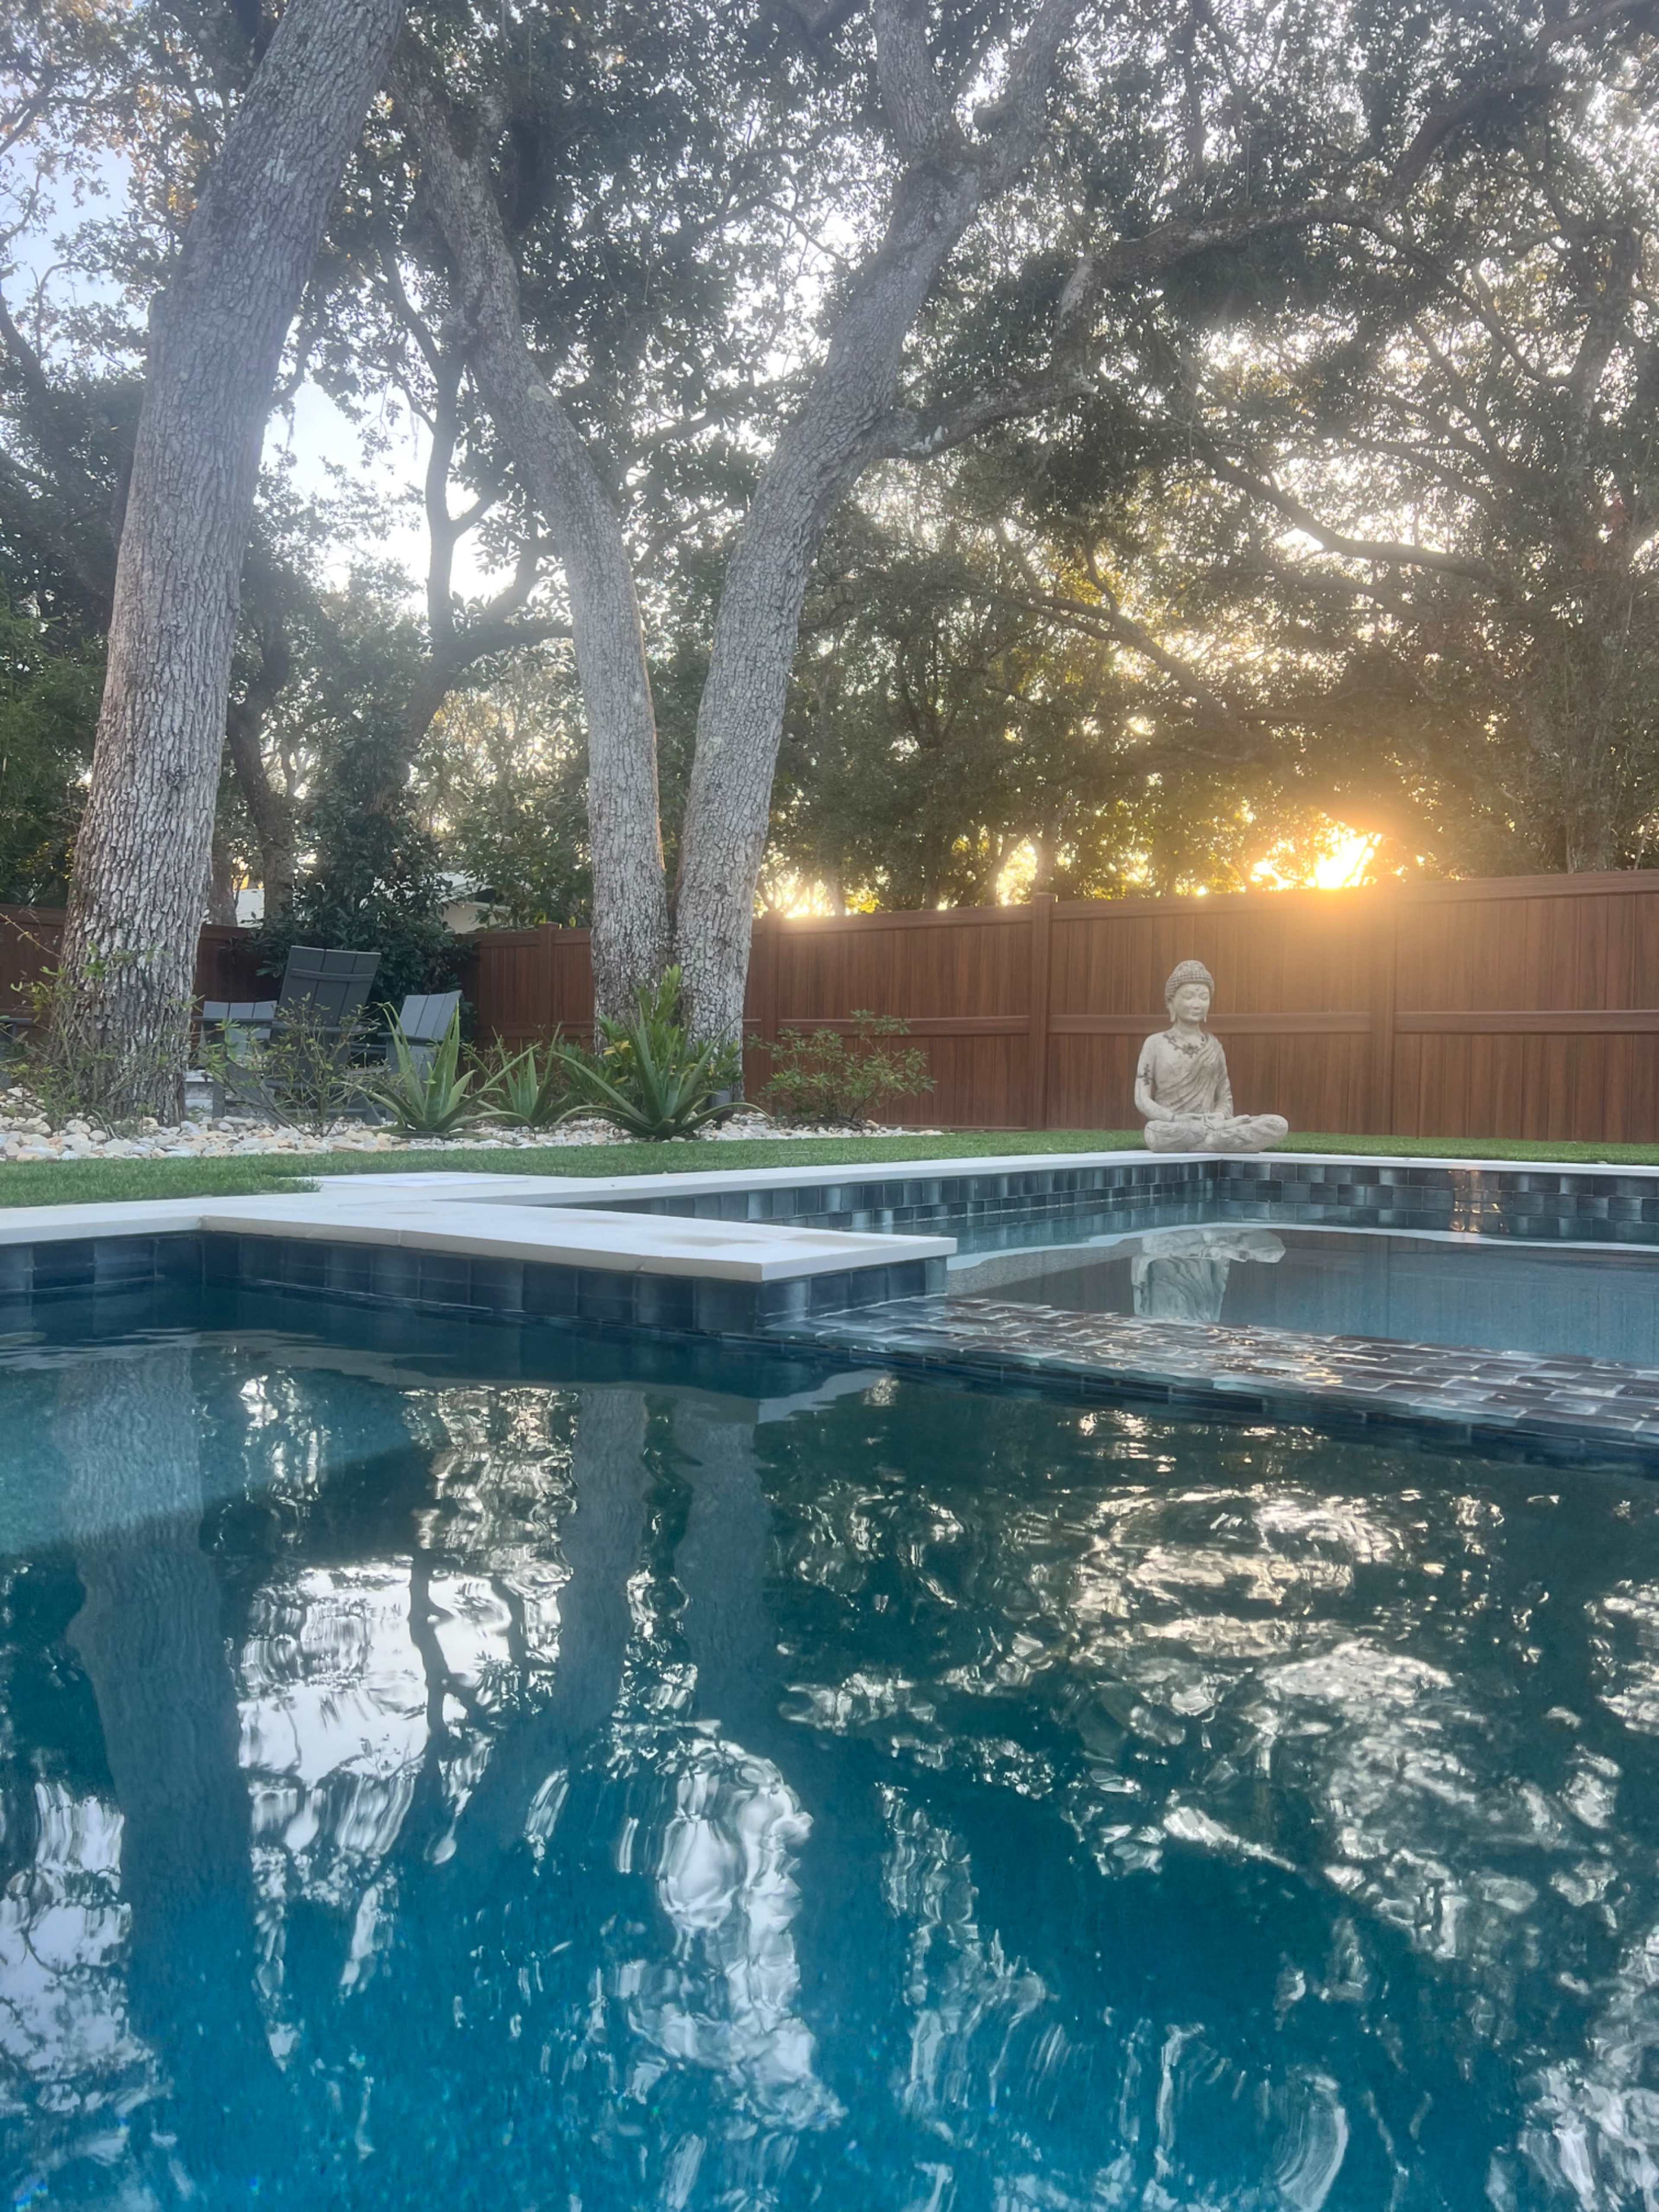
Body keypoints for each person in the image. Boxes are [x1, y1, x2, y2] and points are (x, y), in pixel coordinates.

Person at [1134, 960, 1289, 1154]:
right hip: (1175, 1127)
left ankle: (1208, 1140)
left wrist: (1218, 1117)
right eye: (1189, 997)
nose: (1197, 1005)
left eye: (1204, 997)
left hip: (1211, 1125)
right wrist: (1175, 1119)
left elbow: (1225, 1098)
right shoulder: (1155, 1043)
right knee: (1155, 1133)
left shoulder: (1214, 1046)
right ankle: (1216, 1141)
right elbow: (1142, 1098)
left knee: (1277, 1124)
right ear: (1171, 1002)